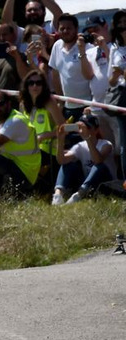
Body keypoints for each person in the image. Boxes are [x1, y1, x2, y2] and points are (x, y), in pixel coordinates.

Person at [52, 114, 116, 205]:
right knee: (68, 164)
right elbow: (61, 160)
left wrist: (88, 138)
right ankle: (58, 195)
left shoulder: (106, 144)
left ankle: (78, 195)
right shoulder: (80, 146)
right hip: (88, 184)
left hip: (106, 184)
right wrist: (60, 139)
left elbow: (98, 160)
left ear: (96, 130)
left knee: (99, 167)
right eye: (80, 127)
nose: (83, 130)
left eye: (88, 127)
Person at [20, 69, 64, 193]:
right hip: (29, 147)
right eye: (31, 83)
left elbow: (63, 127)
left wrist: (44, 136)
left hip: (48, 148)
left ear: (43, 85)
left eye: (38, 83)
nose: (35, 86)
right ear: (26, 85)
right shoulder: (23, 104)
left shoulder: (49, 102)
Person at [49, 13, 94, 126]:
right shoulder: (57, 46)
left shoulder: (88, 48)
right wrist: (61, 101)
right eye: (62, 28)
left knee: (88, 140)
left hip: (87, 106)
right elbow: (55, 74)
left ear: (76, 29)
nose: (65, 31)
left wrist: (93, 104)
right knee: (70, 140)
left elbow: (93, 76)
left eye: (69, 28)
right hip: (68, 107)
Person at [81, 16, 118, 149]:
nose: (93, 34)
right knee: (108, 147)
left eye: (96, 29)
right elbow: (87, 75)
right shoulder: (89, 51)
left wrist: (105, 48)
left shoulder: (116, 47)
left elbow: (116, 69)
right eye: (89, 32)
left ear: (106, 27)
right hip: (98, 107)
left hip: (115, 106)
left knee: (121, 147)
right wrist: (81, 52)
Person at [108, 10, 126, 180]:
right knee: (125, 143)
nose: (123, 26)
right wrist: (118, 73)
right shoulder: (115, 48)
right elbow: (111, 81)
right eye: (120, 23)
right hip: (123, 95)